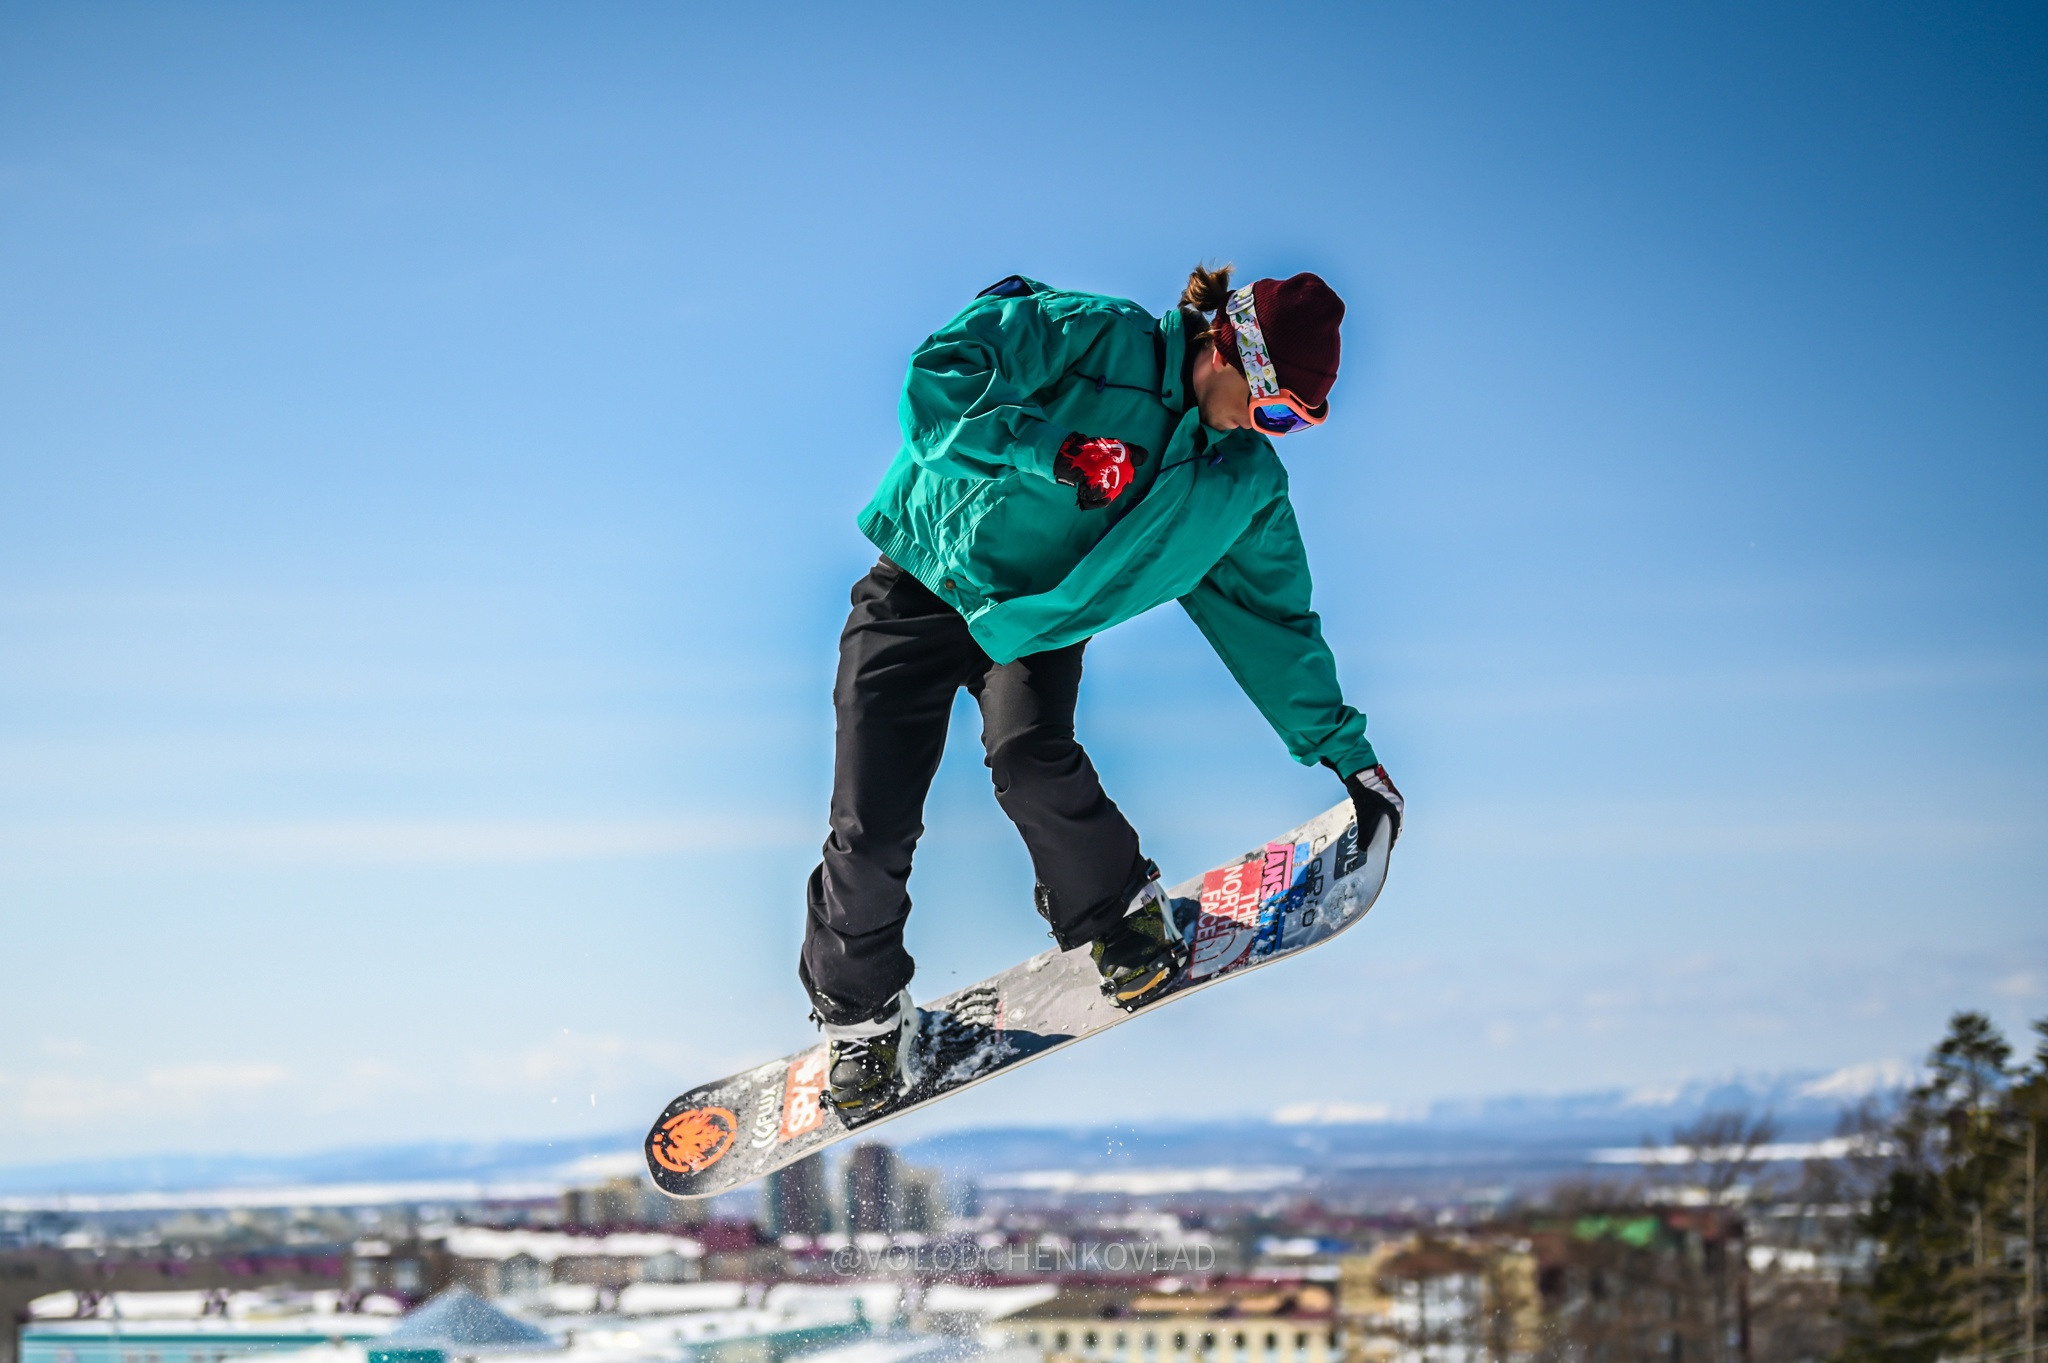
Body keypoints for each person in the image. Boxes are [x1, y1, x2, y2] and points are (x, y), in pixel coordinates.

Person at [802, 265, 1404, 1113]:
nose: (1267, 430)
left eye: (1293, 425)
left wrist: (1352, 759)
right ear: (1229, 349)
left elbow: (1275, 625)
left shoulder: (1238, 483)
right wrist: (1053, 449)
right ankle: (862, 1018)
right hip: (922, 584)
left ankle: (1114, 909)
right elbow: (936, 384)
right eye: (1273, 409)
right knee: (870, 825)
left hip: (1034, 624)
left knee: (1031, 757)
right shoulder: (1096, 337)